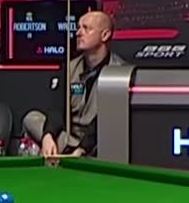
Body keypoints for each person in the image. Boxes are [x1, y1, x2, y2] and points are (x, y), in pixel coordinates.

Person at [21, 9, 117, 159]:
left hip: (98, 141)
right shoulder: (70, 68)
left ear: (105, 35)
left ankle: (64, 154)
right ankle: (58, 150)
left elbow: (105, 121)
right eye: (78, 28)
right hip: (67, 139)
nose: (78, 33)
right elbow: (56, 110)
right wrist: (47, 136)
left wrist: (82, 149)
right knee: (31, 118)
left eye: (86, 28)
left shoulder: (119, 73)